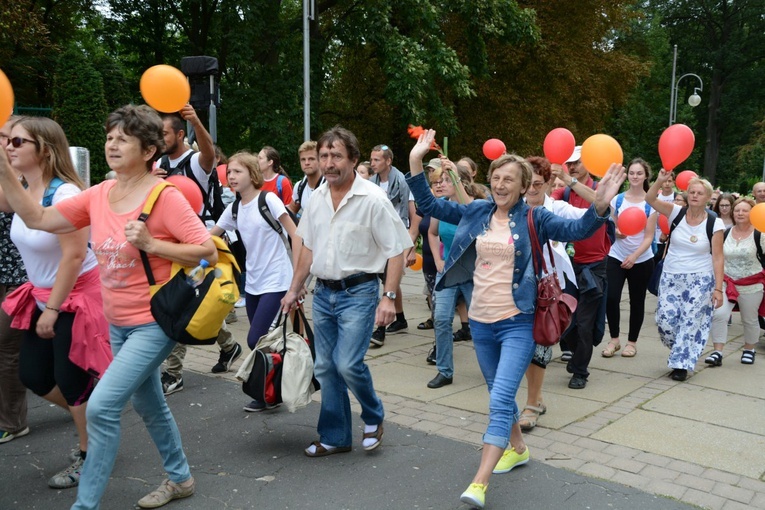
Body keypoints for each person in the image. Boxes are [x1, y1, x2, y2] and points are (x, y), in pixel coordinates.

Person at [0, 105, 217, 509]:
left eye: (123, 139)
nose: (112, 144)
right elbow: (39, 217)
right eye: (110, 136)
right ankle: (181, 478)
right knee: (148, 402)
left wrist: (153, 244)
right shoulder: (98, 194)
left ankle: (85, 505)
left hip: (154, 321)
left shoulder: (163, 196)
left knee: (101, 407)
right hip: (115, 322)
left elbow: (207, 252)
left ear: (149, 150)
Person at [408, 129, 625, 509]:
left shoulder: (536, 219)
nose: (500, 184)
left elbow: (578, 229)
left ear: (525, 185)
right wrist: (415, 159)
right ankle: (519, 447)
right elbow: (429, 203)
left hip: (518, 323)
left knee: (501, 398)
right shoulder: (476, 211)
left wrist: (600, 207)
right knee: (498, 393)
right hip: (481, 322)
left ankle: (479, 482)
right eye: (495, 178)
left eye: (509, 179)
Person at [281, 126, 412, 458]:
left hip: (360, 292)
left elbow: (396, 250)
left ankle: (373, 415)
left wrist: (390, 297)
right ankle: (335, 435)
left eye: (336, 155)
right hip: (323, 294)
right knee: (324, 366)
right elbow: (308, 248)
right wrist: (294, 288)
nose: (328, 162)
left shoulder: (373, 198)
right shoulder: (317, 199)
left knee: (347, 364)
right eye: (324, 156)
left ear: (353, 159)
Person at [0, 117, 108, 490]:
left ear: (43, 149)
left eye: (17, 141)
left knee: (70, 378)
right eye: (7, 141)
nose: (9, 146)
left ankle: (89, 453)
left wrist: (52, 310)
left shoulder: (65, 195)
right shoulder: (25, 187)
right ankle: (98, 420)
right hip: (43, 293)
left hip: (74, 296)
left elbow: (74, 257)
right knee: (33, 375)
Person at [210, 151, 300, 412]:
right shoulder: (235, 208)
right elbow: (211, 236)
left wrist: (297, 278)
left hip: (277, 279)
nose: (231, 176)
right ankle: (270, 393)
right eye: (229, 173)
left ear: (252, 173)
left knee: (255, 339)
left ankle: (275, 387)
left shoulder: (268, 199)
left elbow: (296, 235)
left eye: (237, 171)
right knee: (264, 340)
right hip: (253, 285)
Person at [518, 157, 582, 431]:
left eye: (537, 184)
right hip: (515, 287)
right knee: (520, 346)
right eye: (527, 184)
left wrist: (572, 182)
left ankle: (531, 405)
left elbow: (595, 216)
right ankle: (538, 395)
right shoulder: (511, 209)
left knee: (541, 343)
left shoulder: (558, 208)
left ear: (547, 183)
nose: (532, 189)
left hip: (547, 288)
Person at [646, 170, 724, 381]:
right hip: (671, 277)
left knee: (690, 322)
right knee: (665, 321)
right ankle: (682, 349)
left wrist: (718, 288)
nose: (695, 196)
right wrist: (661, 181)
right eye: (691, 192)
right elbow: (650, 198)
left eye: (699, 193)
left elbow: (717, 257)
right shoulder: (675, 212)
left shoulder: (714, 223)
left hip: (700, 279)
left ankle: (681, 364)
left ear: (708, 198)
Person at [550, 147, 611, 389]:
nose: (572, 166)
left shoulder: (598, 188)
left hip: (595, 265)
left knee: (586, 323)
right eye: (569, 163)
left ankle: (580, 372)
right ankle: (577, 357)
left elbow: (600, 203)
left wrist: (570, 180)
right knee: (565, 320)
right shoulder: (563, 192)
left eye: (576, 162)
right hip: (568, 265)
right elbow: (543, 203)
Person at [426, 160, 485, 389]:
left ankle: (493, 368)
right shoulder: (441, 206)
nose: (440, 184)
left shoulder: (477, 206)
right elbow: (432, 234)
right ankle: (444, 371)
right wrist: (438, 259)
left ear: (459, 182)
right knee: (441, 319)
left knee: (481, 324)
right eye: (438, 181)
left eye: (445, 180)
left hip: (475, 274)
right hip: (448, 271)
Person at [601, 158, 657, 359]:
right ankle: (614, 339)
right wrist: (616, 231)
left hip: (641, 259)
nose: (635, 176)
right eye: (632, 173)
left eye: (639, 173)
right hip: (616, 254)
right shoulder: (617, 199)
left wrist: (634, 256)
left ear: (645, 176)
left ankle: (631, 343)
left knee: (637, 301)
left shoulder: (650, 202)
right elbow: (611, 225)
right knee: (612, 297)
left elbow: (649, 236)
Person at [369, 143, 420, 346]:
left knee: (387, 279)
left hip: (397, 236)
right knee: (389, 278)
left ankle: (379, 328)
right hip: (377, 235)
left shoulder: (404, 182)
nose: (373, 163)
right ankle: (400, 319)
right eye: (371, 159)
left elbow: (413, 217)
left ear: (388, 161)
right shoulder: (370, 183)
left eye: (377, 160)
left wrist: (410, 245)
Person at [0, 117, 29, 446]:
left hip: (22, 279)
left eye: (13, 140)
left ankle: (12, 421)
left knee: (6, 348)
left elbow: (6, 202)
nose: (8, 145)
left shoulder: (24, 178)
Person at [708, 197, 764, 366]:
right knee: (719, 314)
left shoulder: (759, 235)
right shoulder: (725, 233)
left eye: (744, 210)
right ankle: (717, 351)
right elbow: (716, 256)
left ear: (752, 213)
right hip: (726, 282)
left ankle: (749, 349)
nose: (740, 213)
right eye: (737, 210)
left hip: (751, 285)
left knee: (750, 319)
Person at [288, 141, 323, 221]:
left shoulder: (329, 185)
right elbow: (291, 211)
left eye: (311, 159)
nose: (306, 163)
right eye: (303, 159)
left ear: (320, 160)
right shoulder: (299, 186)